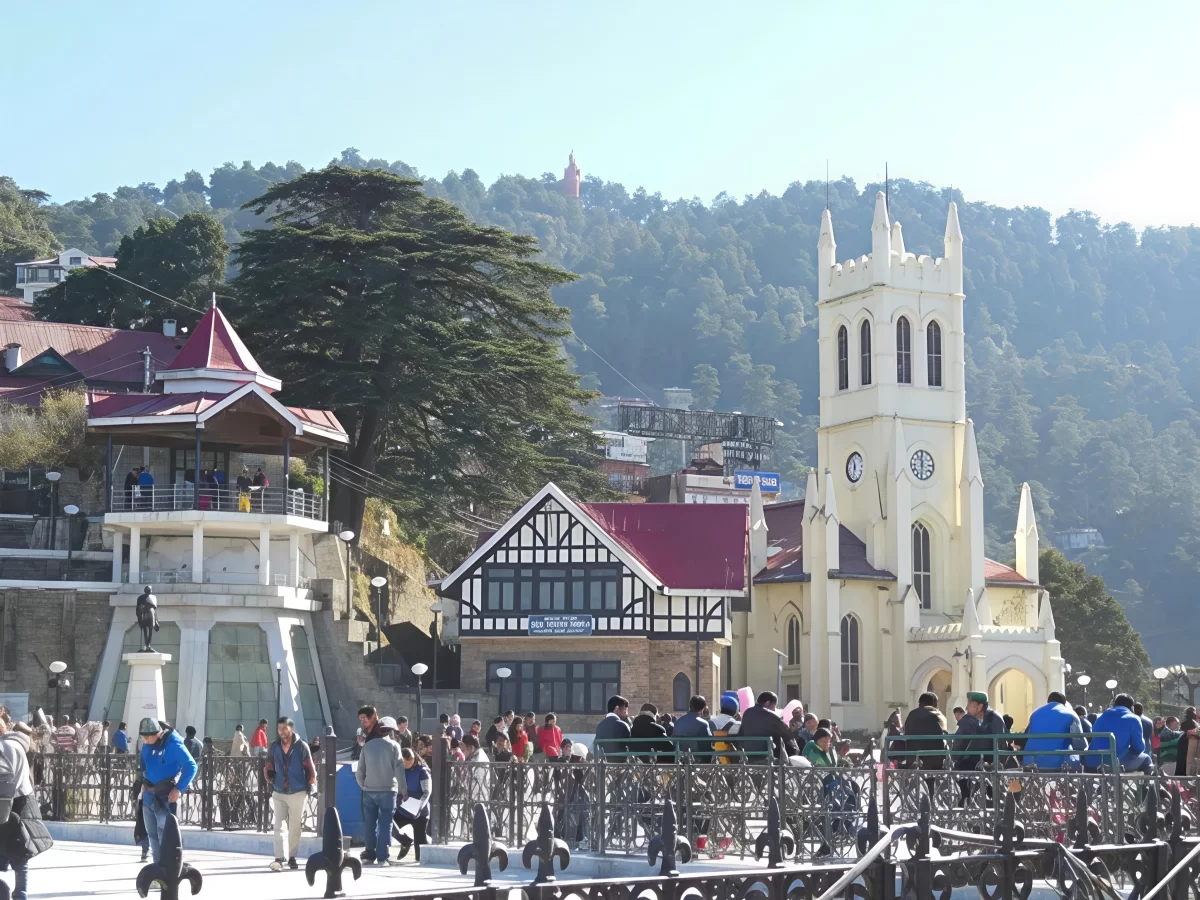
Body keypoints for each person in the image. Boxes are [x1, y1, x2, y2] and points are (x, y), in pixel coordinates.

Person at [0, 720, 51, 900]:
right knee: (20, 852)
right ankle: (19, 893)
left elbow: (6, 779)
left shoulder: (6, 746)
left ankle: (17, 893)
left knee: (16, 851)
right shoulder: (17, 744)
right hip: (21, 800)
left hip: (9, 803)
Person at [139, 717, 198, 865]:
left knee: (165, 835)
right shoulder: (147, 744)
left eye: (147, 737)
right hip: (148, 796)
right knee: (152, 835)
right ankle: (158, 868)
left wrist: (178, 789)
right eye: (142, 736)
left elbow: (191, 766)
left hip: (166, 797)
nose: (145, 740)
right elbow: (143, 765)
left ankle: (169, 869)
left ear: (158, 733)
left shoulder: (173, 745)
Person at [265, 717, 316, 871]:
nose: (281, 731)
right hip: (279, 790)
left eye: (284, 728)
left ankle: (292, 856)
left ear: (291, 729)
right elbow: (269, 764)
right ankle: (279, 858)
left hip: (297, 791)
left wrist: (311, 784)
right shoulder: (274, 746)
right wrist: (269, 777)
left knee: (294, 826)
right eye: (279, 728)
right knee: (279, 825)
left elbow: (310, 767)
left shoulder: (301, 746)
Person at [355, 714, 403, 866]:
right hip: (389, 790)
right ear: (390, 731)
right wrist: (404, 789)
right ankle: (382, 857)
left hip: (369, 790)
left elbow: (359, 772)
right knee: (385, 824)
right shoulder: (394, 746)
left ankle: (369, 855)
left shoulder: (367, 746)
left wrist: (364, 786)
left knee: (369, 823)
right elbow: (399, 770)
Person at [1087, 694, 1151, 773]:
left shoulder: (1100, 717)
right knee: (1146, 759)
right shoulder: (1133, 718)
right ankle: (1147, 782)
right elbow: (1139, 748)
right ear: (1132, 707)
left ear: (1114, 704)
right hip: (1115, 762)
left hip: (1092, 762)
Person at [1022, 692, 1086, 771]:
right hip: (1062, 765)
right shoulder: (1071, 714)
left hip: (1032, 763)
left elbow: (1028, 735)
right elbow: (1079, 744)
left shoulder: (1035, 714)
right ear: (1064, 703)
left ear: (1048, 702)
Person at [952, 692, 1006, 771]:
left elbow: (1000, 744)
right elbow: (958, 743)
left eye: (970, 704)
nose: (966, 708)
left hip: (991, 765)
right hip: (970, 765)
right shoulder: (967, 720)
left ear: (980, 707)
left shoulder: (994, 719)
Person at [741, 691, 801, 762]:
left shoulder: (747, 712)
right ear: (768, 703)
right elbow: (786, 733)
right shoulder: (769, 715)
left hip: (747, 753)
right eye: (774, 706)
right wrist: (795, 750)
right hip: (766, 755)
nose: (774, 709)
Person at [395, 747, 432, 860]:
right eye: (404, 761)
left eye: (409, 760)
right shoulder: (400, 770)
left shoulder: (422, 771)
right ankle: (404, 841)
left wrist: (419, 808)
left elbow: (427, 792)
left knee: (420, 854)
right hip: (404, 810)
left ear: (414, 758)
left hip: (420, 812)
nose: (407, 763)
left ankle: (428, 844)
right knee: (388, 822)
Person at [901, 692, 949, 771]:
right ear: (934, 703)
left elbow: (906, 732)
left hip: (913, 759)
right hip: (935, 760)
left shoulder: (911, 714)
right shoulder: (938, 715)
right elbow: (944, 735)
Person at [710, 696, 742, 764]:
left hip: (712, 759)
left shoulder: (710, 721)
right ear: (735, 711)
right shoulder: (736, 724)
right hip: (730, 759)